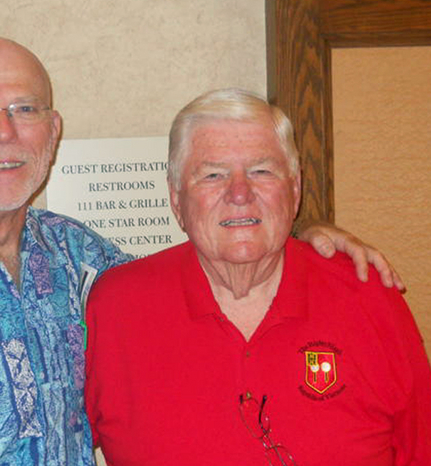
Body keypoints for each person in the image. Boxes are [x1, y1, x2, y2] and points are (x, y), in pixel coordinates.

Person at [0, 38, 401, 465]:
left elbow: (211, 259)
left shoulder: (80, 260)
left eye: (25, 110)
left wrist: (299, 234)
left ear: (52, 133)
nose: (3, 132)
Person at [84, 88, 431, 465]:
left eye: (261, 171)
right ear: (176, 199)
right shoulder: (116, 308)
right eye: (213, 174)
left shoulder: (368, 298)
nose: (239, 193)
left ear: (295, 190)